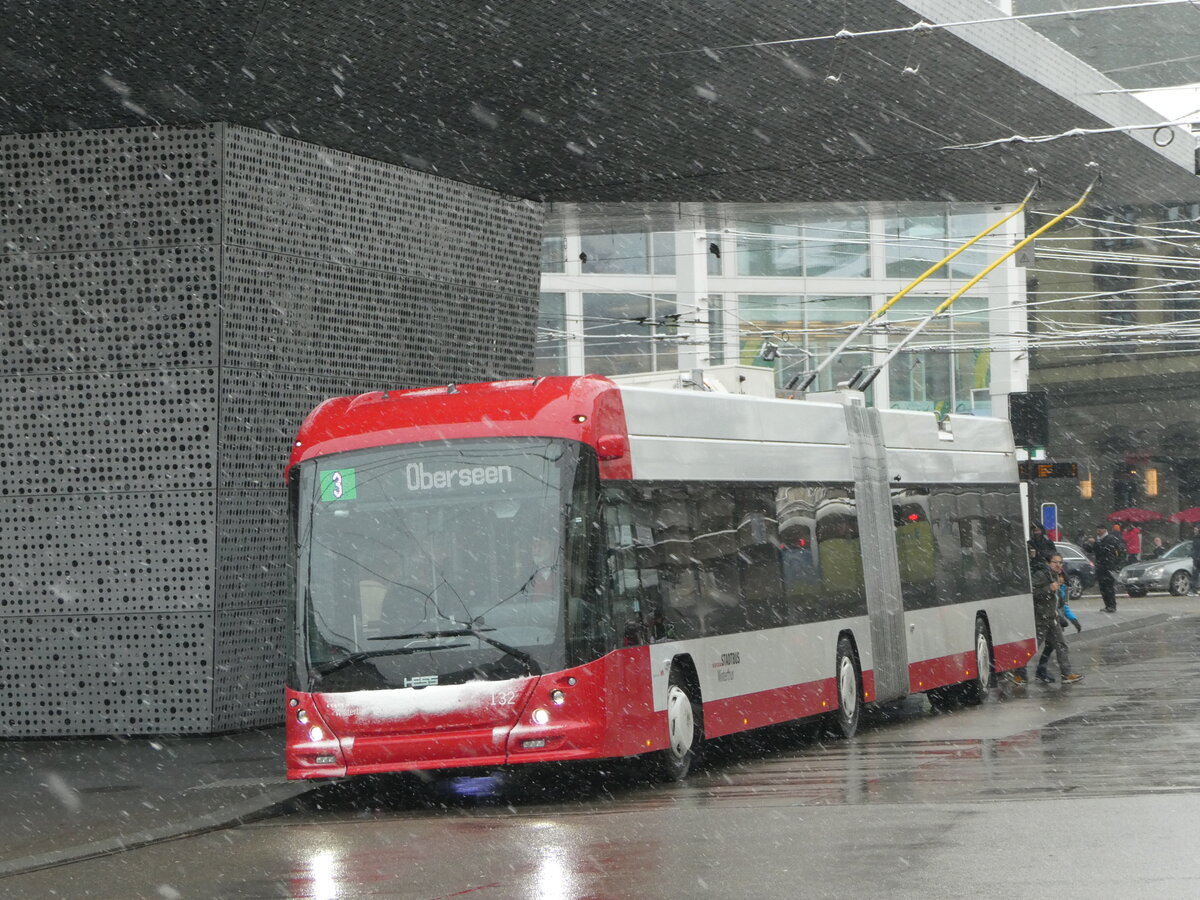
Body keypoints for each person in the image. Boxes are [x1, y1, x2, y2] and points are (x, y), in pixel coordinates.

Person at [1014, 553, 1083, 685]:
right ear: (1048, 563)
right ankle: (1019, 674)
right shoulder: (1042, 575)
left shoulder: (1056, 576)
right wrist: (1048, 589)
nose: (1058, 565)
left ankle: (1066, 674)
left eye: (1060, 562)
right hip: (1041, 619)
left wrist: (1063, 616)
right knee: (1032, 648)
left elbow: (1058, 599)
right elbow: (1030, 592)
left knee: (1061, 646)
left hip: (1052, 619)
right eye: (1055, 562)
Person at [1087, 523, 1125, 613]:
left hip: (1108, 567)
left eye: (1100, 529)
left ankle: (1112, 605)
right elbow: (1094, 550)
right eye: (1097, 529)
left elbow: (1104, 550)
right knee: (1102, 587)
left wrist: (1095, 543)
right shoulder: (1099, 539)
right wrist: (1087, 545)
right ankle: (1107, 605)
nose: (1098, 531)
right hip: (1100, 566)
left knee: (1109, 587)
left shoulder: (1110, 539)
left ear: (1104, 530)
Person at [1189, 526, 1200, 596]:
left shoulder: (1197, 538)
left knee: (1195, 574)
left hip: (1197, 558)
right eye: (1194, 529)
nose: (1194, 531)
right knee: (1194, 575)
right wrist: (1192, 555)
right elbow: (1193, 548)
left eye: (1196, 529)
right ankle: (1194, 590)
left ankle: (1194, 590)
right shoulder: (1195, 538)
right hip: (1196, 559)